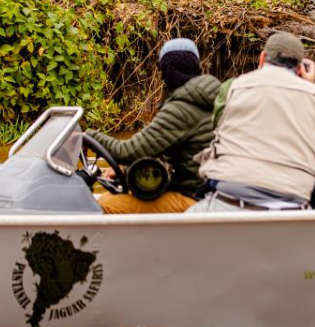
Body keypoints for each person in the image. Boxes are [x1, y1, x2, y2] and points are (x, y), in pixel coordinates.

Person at [189, 32, 315, 211]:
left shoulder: (232, 87)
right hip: (292, 208)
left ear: (263, 58)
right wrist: (310, 86)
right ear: (300, 68)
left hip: (228, 201)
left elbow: (218, 123)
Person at [86, 38, 222, 213]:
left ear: (164, 72)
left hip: (195, 199)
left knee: (103, 205)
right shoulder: (218, 100)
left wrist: (87, 136)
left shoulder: (181, 109)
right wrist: (127, 170)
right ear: (198, 67)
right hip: (214, 194)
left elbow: (126, 151)